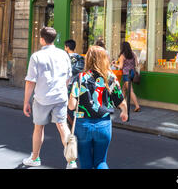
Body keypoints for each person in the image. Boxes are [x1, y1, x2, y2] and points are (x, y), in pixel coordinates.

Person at [23, 27, 75, 169]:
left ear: (42, 39)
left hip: (42, 98)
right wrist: (62, 90)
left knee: (38, 127)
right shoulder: (64, 54)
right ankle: (71, 161)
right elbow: (68, 77)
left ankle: (35, 157)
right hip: (60, 96)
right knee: (63, 126)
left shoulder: (36, 56)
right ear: (54, 39)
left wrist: (26, 101)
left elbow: (30, 81)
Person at [68, 46, 128, 169]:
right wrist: (124, 112)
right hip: (103, 124)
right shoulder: (110, 77)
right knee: (101, 161)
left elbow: (72, 105)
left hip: (83, 124)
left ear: (88, 59)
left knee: (86, 164)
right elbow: (121, 102)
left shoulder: (80, 78)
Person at [113, 42, 141, 112]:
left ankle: (137, 106)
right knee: (124, 89)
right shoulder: (133, 54)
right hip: (132, 73)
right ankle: (121, 104)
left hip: (126, 74)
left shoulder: (123, 55)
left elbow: (121, 67)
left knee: (130, 90)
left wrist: (114, 65)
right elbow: (136, 64)